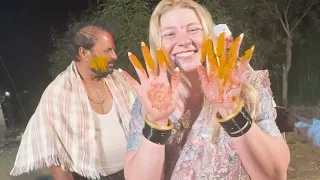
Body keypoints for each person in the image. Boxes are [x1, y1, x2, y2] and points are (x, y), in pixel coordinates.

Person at [122, 0, 290, 180]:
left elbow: (275, 175)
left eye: (193, 30)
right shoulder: (149, 103)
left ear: (209, 36)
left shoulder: (247, 89)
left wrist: (232, 112)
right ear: (157, 45)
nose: (184, 41)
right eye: (170, 33)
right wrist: (157, 122)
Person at [10, 22, 135, 180]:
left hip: (134, 171)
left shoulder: (120, 80)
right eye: (108, 50)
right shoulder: (58, 93)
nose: (115, 56)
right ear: (84, 53)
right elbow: (56, 156)